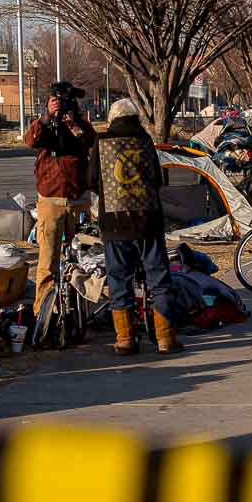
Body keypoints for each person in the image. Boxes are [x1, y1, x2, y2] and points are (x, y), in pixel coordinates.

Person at [96, 98, 181, 354]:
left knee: (119, 279)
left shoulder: (101, 144)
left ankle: (125, 339)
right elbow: (158, 179)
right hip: (148, 222)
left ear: (112, 118)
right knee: (159, 280)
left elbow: (91, 180)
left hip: (114, 224)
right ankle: (165, 338)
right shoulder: (145, 142)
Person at [23, 82, 97, 337]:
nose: (63, 107)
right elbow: (30, 140)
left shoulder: (80, 125)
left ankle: (84, 305)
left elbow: (90, 140)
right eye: (58, 102)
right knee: (48, 260)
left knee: (84, 256)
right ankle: (42, 315)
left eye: (66, 103)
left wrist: (74, 124)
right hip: (51, 199)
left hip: (78, 200)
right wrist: (47, 117)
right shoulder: (44, 125)